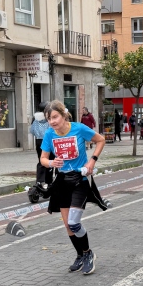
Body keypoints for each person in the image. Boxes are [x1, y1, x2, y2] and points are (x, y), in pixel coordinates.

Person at [40, 101, 108, 275]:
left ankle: (88, 253)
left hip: (80, 180)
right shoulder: (49, 134)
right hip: (62, 181)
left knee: (73, 222)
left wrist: (92, 161)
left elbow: (101, 140)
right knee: (68, 225)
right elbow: (43, 159)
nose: (52, 121)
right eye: (49, 119)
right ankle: (80, 255)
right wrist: (51, 162)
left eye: (55, 117)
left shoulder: (78, 128)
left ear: (64, 115)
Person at [29, 102, 53, 191]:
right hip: (48, 141)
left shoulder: (35, 118)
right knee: (50, 161)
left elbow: (32, 130)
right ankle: (49, 181)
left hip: (39, 141)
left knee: (41, 160)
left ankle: (39, 181)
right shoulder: (49, 118)